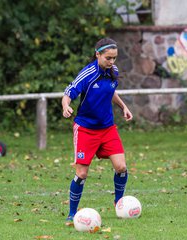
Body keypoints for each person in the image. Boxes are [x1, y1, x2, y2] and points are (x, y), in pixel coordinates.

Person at [62, 37, 133, 222]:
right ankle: (72, 214)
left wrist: (123, 107)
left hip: (107, 128)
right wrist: (65, 106)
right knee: (82, 173)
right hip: (85, 129)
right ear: (98, 55)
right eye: (108, 58)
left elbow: (110, 91)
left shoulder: (113, 72)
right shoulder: (88, 74)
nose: (111, 62)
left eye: (114, 58)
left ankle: (119, 204)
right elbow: (68, 93)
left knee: (121, 167)